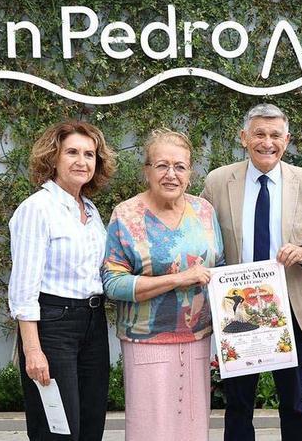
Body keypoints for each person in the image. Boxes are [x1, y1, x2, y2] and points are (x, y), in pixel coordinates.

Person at [202, 103, 302, 441]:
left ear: (286, 140)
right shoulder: (218, 181)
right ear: (244, 137)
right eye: (259, 134)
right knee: (238, 404)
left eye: (275, 135)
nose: (267, 142)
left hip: (289, 308)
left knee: (294, 403)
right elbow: (201, 240)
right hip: (237, 310)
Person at [101, 129, 223, 441]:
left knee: (193, 428)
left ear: (190, 173)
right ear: (147, 170)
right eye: (161, 166)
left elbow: (219, 267)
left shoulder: (204, 211)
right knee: (151, 429)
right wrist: (177, 279)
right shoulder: (126, 215)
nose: (171, 174)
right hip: (146, 342)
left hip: (197, 339)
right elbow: (113, 283)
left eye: (180, 167)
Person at [8, 120, 116, 440]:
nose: (82, 161)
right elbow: (24, 289)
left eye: (89, 154)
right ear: (53, 157)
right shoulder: (37, 209)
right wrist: (33, 350)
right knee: (58, 430)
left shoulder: (91, 210)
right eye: (72, 152)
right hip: (53, 326)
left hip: (93, 323)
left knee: (91, 425)